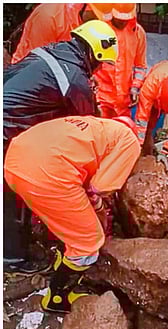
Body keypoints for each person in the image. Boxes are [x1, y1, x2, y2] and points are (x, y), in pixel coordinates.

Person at [3, 20, 118, 274]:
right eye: (100, 63)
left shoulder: (50, 53)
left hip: (10, 123)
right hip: (5, 129)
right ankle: (12, 259)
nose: (99, 69)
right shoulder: (74, 78)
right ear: (93, 54)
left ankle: (18, 245)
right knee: (12, 193)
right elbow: (88, 126)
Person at [4, 115, 141, 312]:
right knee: (88, 242)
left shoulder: (94, 125)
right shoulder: (129, 140)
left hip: (14, 163)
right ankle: (57, 298)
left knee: (68, 222)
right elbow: (100, 187)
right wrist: (100, 210)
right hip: (47, 174)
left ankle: (63, 259)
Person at [10, 3, 111, 64]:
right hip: (29, 73)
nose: (99, 21)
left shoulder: (91, 22)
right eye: (96, 16)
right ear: (86, 5)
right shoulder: (50, 17)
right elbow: (34, 61)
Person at [94, 3, 147, 117]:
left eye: (126, 19)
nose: (123, 22)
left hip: (123, 101)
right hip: (101, 98)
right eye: (119, 19)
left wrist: (135, 87)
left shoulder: (137, 32)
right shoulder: (100, 30)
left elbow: (140, 66)